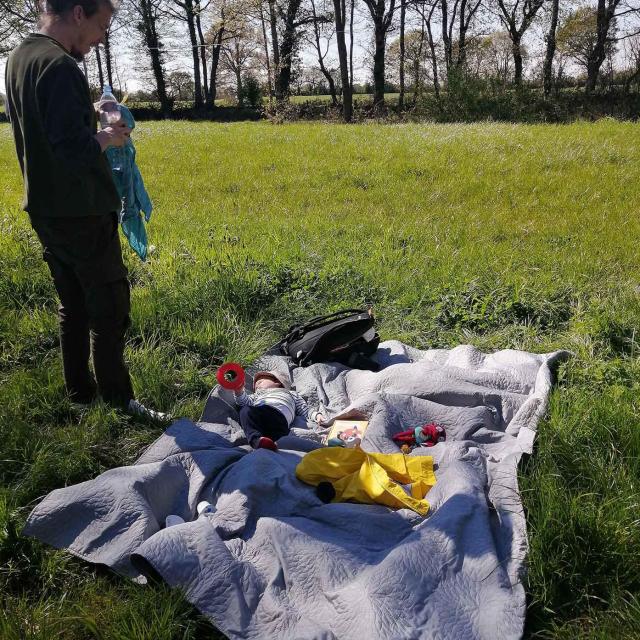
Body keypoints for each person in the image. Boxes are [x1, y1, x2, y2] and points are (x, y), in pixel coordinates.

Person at [5, 0, 165, 420]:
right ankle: (119, 402)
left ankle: (79, 393)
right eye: (101, 24)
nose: (101, 37)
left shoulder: (21, 57)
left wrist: (89, 113)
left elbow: (49, 128)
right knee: (109, 307)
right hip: (82, 211)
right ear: (78, 12)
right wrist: (111, 136)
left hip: (45, 208)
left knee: (72, 304)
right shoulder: (60, 67)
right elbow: (75, 151)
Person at [234, 371, 325, 450]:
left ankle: (271, 443)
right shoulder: (257, 395)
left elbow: (304, 408)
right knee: (245, 410)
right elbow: (244, 402)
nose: (257, 386)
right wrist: (239, 391)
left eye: (260, 382)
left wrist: (316, 415)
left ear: (277, 382)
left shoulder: (291, 393)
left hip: (279, 420)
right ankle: (257, 441)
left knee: (285, 440)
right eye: (255, 387)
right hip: (259, 416)